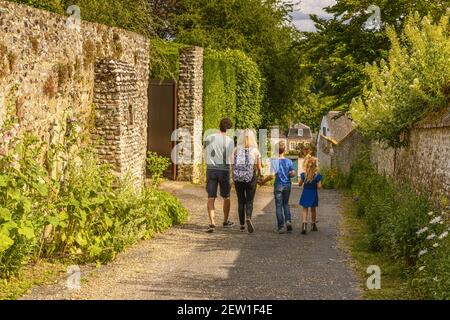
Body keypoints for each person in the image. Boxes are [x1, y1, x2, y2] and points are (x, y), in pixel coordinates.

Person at [204, 118, 235, 233]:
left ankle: (212, 223)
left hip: (211, 169)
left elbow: (205, 154)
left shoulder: (208, 138)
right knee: (226, 196)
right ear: (229, 129)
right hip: (224, 171)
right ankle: (225, 221)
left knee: (211, 197)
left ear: (219, 126)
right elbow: (231, 158)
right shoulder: (230, 141)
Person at [259, 141, 296, 233]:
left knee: (278, 206)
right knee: (286, 204)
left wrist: (262, 182)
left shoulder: (274, 162)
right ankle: (288, 221)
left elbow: (271, 176)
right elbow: (293, 173)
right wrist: (290, 174)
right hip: (287, 185)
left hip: (278, 185)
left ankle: (281, 227)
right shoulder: (289, 161)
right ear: (285, 150)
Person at [232, 129, 262, 233]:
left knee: (241, 200)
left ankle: (241, 225)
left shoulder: (236, 149)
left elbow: (232, 164)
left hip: (238, 178)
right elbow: (259, 167)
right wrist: (260, 175)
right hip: (250, 178)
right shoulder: (255, 150)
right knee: (249, 200)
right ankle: (248, 217)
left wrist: (233, 176)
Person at [298, 157, 322, 235]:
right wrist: (317, 184)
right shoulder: (317, 176)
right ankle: (313, 225)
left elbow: (299, 184)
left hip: (305, 193)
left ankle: (304, 225)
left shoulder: (303, 175)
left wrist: (302, 182)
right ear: (315, 166)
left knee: (305, 209)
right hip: (313, 194)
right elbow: (319, 186)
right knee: (313, 210)